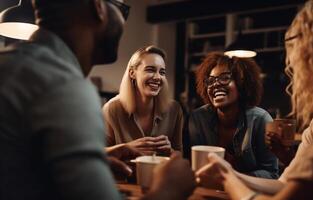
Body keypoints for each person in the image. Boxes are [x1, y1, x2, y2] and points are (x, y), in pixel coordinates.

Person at [0, 1, 195, 200]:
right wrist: (169, 189)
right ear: (99, 7)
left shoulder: (15, 65)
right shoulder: (63, 86)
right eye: (122, 9)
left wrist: (91, 163)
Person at [196, 0, 313, 199]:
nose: (293, 72)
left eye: (294, 62)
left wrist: (228, 178)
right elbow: (284, 185)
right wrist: (231, 174)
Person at [187, 52, 279, 179]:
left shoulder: (260, 120)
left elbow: (271, 174)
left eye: (224, 78)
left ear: (241, 84)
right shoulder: (198, 119)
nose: (216, 84)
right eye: (210, 80)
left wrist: (233, 178)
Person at [103, 45, 183, 156]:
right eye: (150, 70)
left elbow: (180, 155)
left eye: (162, 72)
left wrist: (171, 151)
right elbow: (98, 155)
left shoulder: (174, 109)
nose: (157, 77)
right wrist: (125, 148)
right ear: (132, 73)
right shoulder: (111, 109)